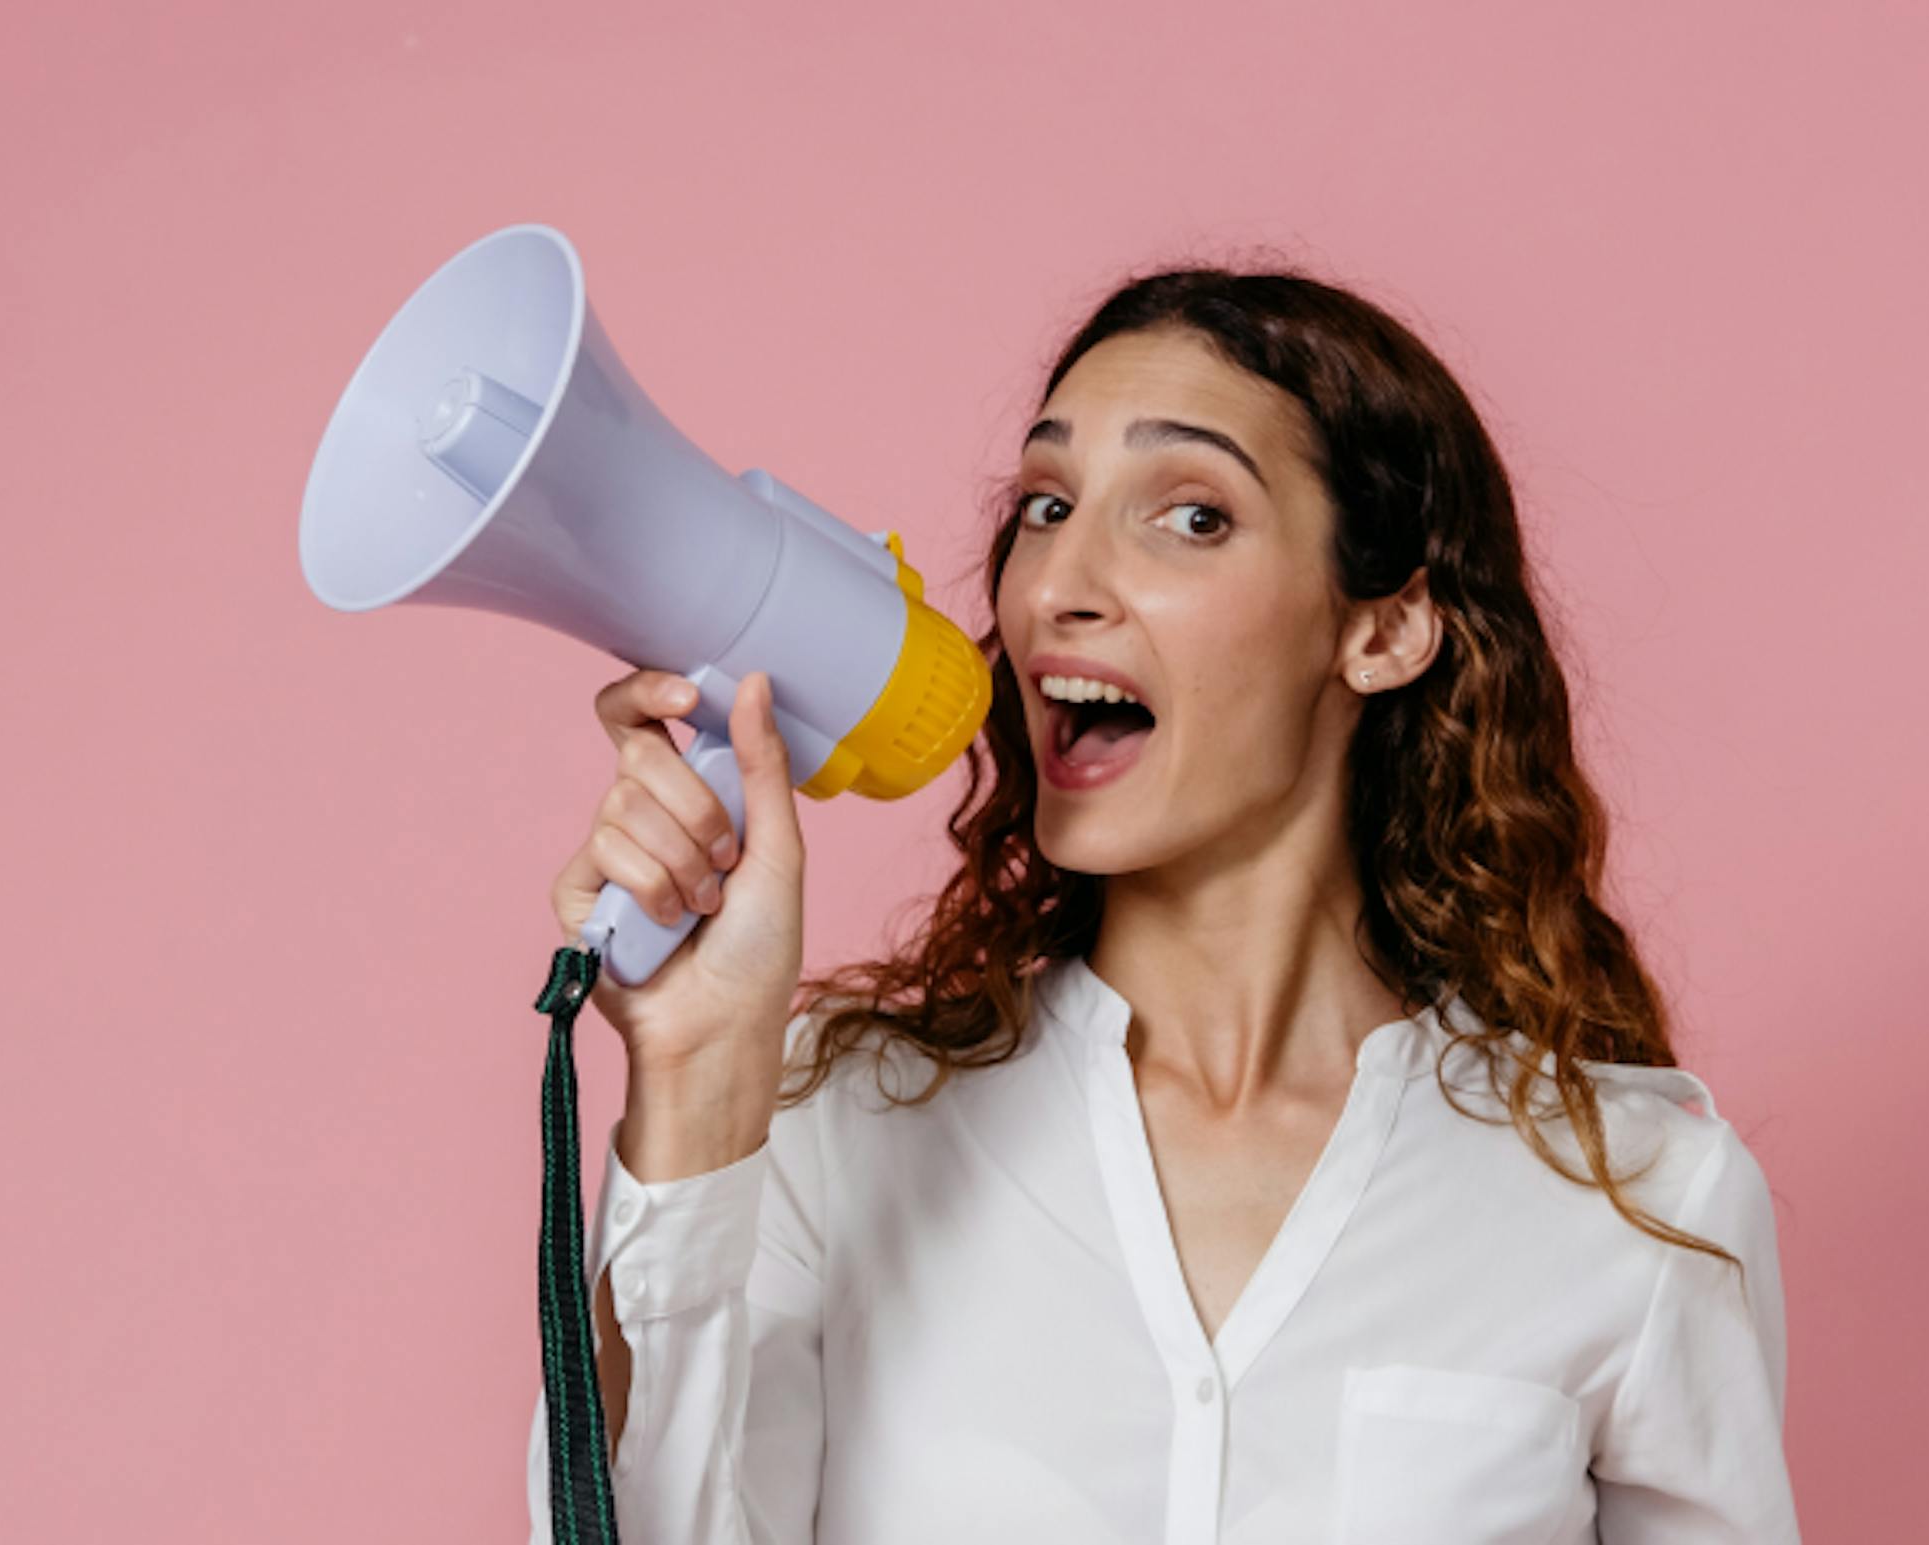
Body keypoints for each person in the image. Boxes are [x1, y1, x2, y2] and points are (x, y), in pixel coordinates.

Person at [531, 265, 1799, 1543]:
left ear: (1385, 629)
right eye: (1045, 504)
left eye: (1191, 516)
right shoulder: (825, 1129)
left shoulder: (1640, 1200)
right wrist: (693, 1082)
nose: (1059, 586)